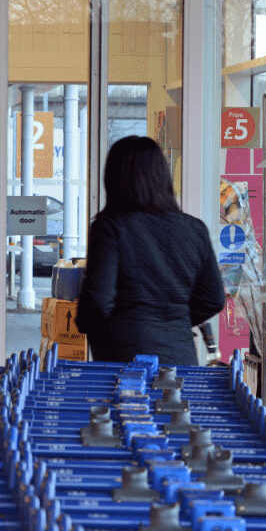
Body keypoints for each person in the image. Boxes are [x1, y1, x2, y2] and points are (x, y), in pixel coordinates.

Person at [75, 136, 225, 365]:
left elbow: (97, 300)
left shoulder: (110, 227)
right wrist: (176, 322)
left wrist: (86, 322)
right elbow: (213, 299)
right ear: (163, 176)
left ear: (114, 179)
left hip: (123, 359)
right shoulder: (195, 229)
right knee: (176, 402)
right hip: (180, 356)